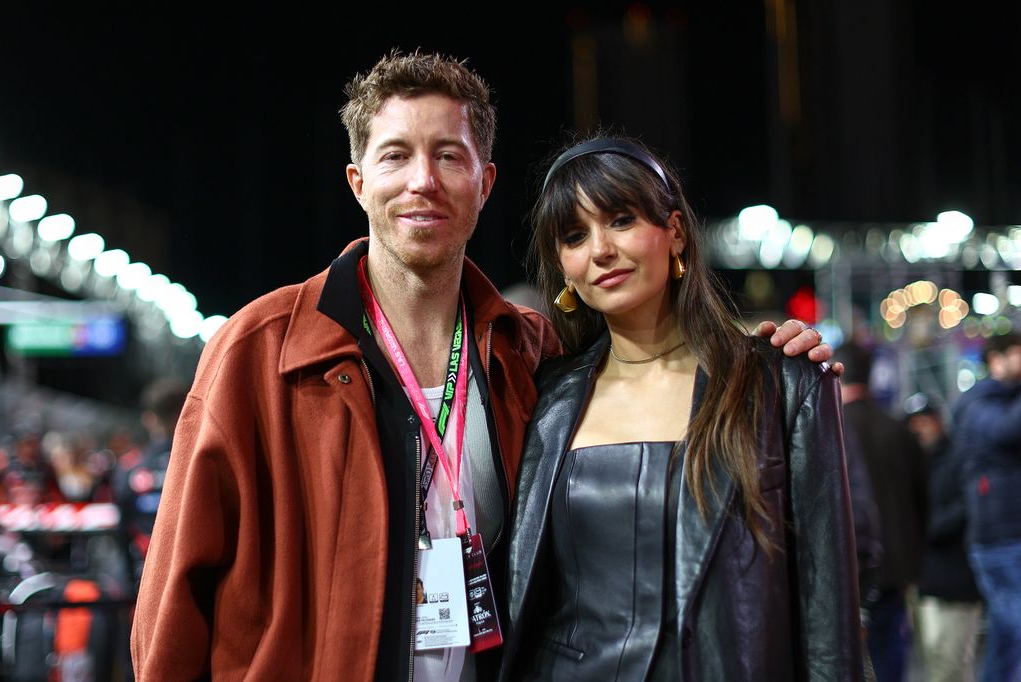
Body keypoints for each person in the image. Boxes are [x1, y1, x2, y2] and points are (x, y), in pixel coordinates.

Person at [131, 53, 834, 681]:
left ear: (485, 181)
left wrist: (771, 356)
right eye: (395, 156)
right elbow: (172, 597)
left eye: (448, 156)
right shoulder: (264, 350)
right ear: (356, 181)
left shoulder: (529, 357)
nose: (422, 182)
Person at [501, 136, 862, 680]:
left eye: (621, 220)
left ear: (674, 231)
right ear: (564, 267)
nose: (600, 249)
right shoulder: (541, 397)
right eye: (575, 235)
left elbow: (827, 605)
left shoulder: (782, 382)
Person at [834, 343, 927, 682]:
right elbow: (922, 501)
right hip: (896, 569)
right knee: (890, 657)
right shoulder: (898, 429)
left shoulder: (827, 429)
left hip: (846, 573)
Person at [953, 333, 1021, 682]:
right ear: (995, 360)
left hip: (1008, 534)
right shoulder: (978, 404)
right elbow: (1005, 430)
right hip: (998, 538)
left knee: (1008, 638)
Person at [904, 395, 982, 682]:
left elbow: (967, 507)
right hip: (923, 579)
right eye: (913, 423)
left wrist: (922, 527)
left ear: (939, 421)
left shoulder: (960, 457)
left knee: (950, 662)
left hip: (956, 577)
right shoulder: (913, 463)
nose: (919, 428)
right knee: (934, 659)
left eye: (924, 421)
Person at [112, 377, 190, 591]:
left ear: (149, 418)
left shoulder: (130, 467)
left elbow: (122, 532)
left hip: (147, 575)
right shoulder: (203, 462)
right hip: (197, 573)